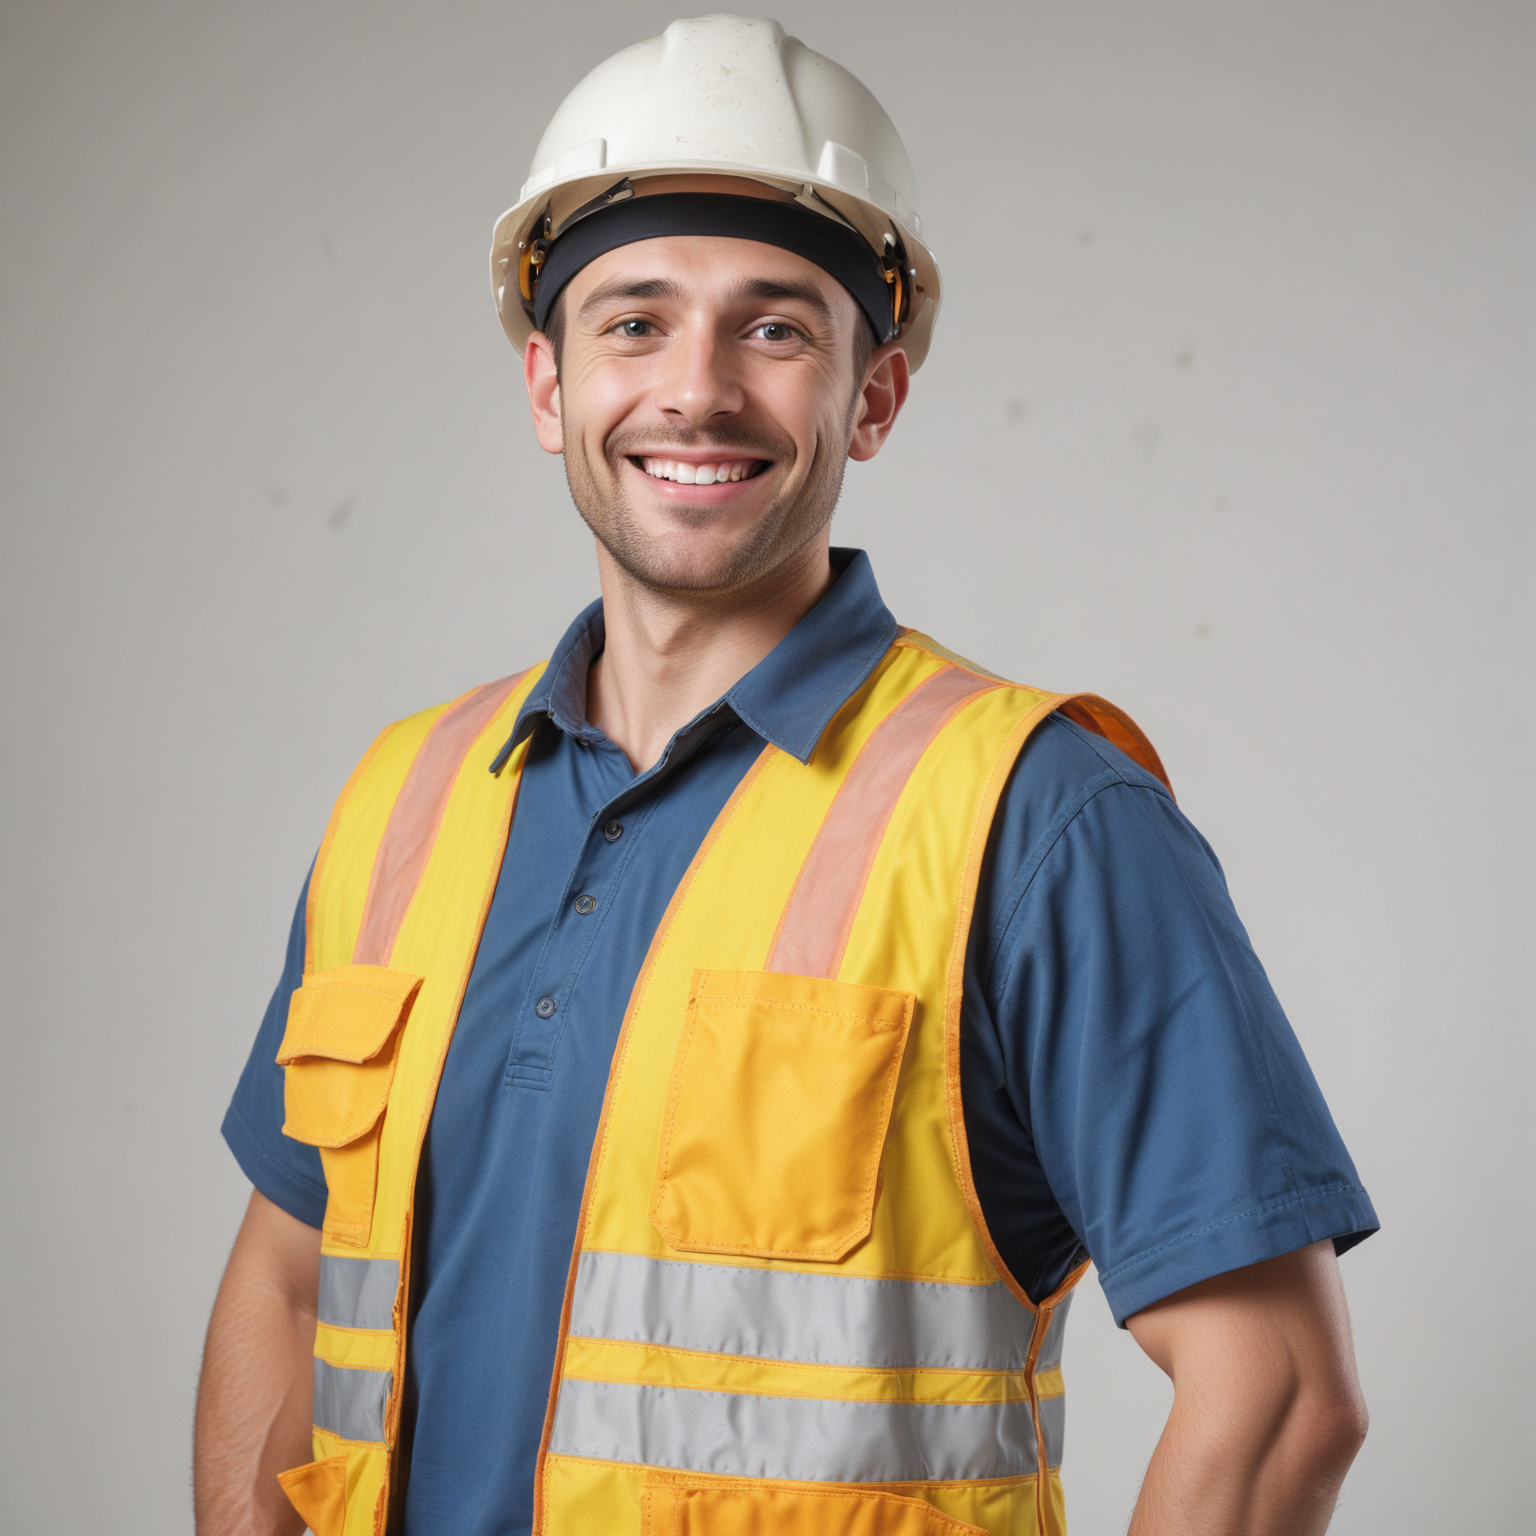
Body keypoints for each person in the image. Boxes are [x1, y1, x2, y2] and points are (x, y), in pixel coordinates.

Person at [193, 16, 1376, 1536]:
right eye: (632, 322)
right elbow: (287, 1285)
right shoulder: (404, 798)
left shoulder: (1036, 818)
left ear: (870, 398)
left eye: (774, 326)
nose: (696, 391)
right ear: (547, 387)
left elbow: (1277, 1393)